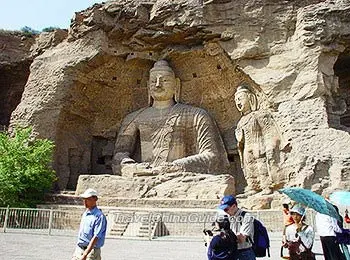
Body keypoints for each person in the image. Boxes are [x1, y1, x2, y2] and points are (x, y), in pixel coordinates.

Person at [112, 59, 229, 175]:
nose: (158, 85)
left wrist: (178, 166)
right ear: (148, 86)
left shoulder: (196, 115)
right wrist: (133, 168)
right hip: (144, 176)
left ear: (176, 84)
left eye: (165, 80)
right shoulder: (134, 118)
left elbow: (213, 157)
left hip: (181, 178)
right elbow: (118, 157)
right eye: (153, 81)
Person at [234, 85, 289, 196]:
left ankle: (266, 186)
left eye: (240, 99)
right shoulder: (241, 121)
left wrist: (270, 145)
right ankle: (253, 186)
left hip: (258, 145)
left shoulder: (258, 115)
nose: (238, 102)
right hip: (247, 148)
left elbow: (268, 131)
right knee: (250, 168)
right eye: (236, 100)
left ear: (250, 98)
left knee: (261, 166)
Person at [72, 188, 107, 260]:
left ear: (95, 199)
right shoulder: (85, 213)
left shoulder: (99, 216)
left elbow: (96, 237)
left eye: (88, 199)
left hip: (91, 251)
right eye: (84, 199)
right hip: (80, 248)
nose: (85, 202)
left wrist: (85, 254)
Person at [218, 195, 256, 260]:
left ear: (234, 206)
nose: (225, 211)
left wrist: (228, 237)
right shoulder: (226, 216)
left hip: (244, 253)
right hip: (231, 252)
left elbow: (242, 239)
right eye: (223, 209)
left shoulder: (246, 217)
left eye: (226, 209)